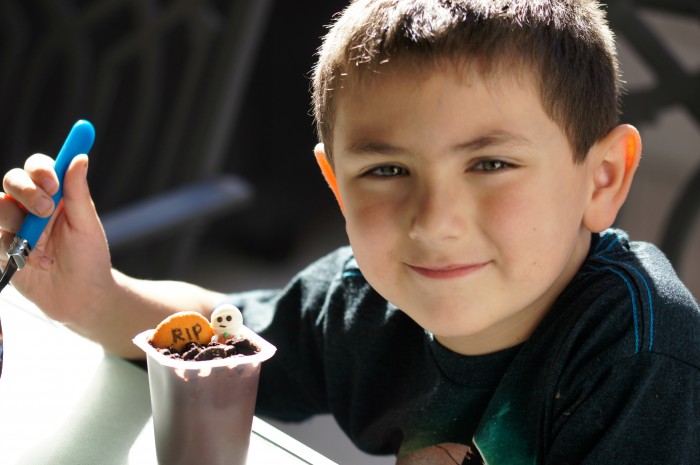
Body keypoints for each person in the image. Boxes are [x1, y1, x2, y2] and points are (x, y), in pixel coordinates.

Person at [1, 0, 698, 463]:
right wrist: (91, 294)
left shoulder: (640, 356)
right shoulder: (360, 302)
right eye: (388, 169)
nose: (435, 220)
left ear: (602, 179)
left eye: (490, 163)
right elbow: (219, 333)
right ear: (336, 185)